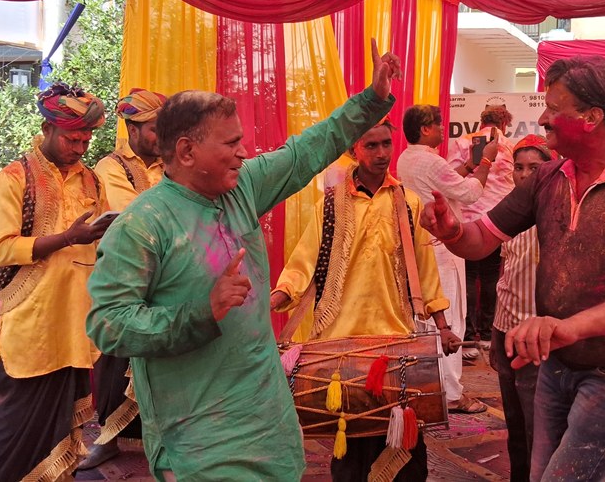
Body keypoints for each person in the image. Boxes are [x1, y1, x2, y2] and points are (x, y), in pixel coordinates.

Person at [86, 41, 402, 482]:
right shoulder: (142, 225)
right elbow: (108, 324)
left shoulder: (242, 187)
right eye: (231, 143)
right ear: (187, 151)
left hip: (265, 416)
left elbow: (308, 149)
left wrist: (372, 99)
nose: (243, 152)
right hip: (197, 436)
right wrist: (201, 312)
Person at [421, 56, 605, 481]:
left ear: (591, 117)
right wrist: (452, 230)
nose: (544, 119)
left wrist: (569, 327)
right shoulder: (549, 177)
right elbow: (481, 240)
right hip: (558, 360)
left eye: (553, 108)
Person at [272, 120, 458, 482]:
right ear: (353, 150)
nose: (381, 153)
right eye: (371, 145)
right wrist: (280, 294)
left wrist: (443, 325)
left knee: (406, 452)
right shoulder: (329, 204)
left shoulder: (408, 202)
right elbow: (304, 260)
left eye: (386, 144)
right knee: (351, 454)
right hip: (341, 340)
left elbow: (424, 269)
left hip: (395, 338)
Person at [0, 83, 111, 482]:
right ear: (47, 129)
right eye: (73, 139)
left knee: (64, 428)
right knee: (13, 429)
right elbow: (2, 250)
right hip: (32, 323)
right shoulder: (12, 179)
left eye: (86, 140)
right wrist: (68, 238)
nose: (80, 148)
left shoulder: (92, 181)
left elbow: (102, 241)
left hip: (75, 321)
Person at [81, 88, 167, 470]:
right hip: (123, 280)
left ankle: (163, 439)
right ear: (132, 129)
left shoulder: (170, 164)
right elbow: (131, 214)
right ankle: (109, 438)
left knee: (166, 356)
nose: (161, 136)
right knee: (116, 363)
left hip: (166, 275)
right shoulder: (110, 167)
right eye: (154, 129)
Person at [396, 103, 495, 413]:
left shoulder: (407, 158)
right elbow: (469, 193)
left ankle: (427, 389)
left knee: (425, 323)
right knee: (450, 322)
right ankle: (451, 395)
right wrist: (486, 160)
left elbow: (446, 184)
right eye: (438, 124)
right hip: (442, 249)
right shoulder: (430, 160)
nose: (442, 130)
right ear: (425, 129)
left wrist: (468, 167)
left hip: (420, 248)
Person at [489, 135, 553, 482]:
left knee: (536, 426)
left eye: (534, 168)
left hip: (536, 337)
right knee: (514, 423)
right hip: (506, 328)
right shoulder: (509, 212)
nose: (525, 175)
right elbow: (506, 269)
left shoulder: (557, 214)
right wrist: (495, 335)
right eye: (519, 167)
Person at [447, 98, 514, 348]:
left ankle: (467, 334)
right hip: (498, 221)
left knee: (468, 276)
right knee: (490, 277)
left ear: (481, 121)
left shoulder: (464, 142)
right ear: (504, 124)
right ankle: (486, 334)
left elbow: (449, 178)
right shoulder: (511, 147)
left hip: (467, 220)